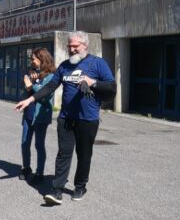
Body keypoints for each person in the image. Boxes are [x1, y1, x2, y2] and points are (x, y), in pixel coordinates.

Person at [15, 31, 116, 205]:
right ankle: (57, 189)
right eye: (69, 46)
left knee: (84, 154)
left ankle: (80, 186)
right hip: (66, 118)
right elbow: (50, 87)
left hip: (88, 119)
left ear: (85, 45)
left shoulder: (97, 64)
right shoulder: (64, 66)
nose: (71, 49)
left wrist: (93, 83)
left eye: (75, 46)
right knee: (64, 154)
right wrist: (30, 99)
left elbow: (112, 88)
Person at [19, 47, 55, 184]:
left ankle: (39, 173)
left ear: (41, 59)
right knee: (24, 143)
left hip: (41, 115)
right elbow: (27, 92)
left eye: (33, 59)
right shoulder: (32, 73)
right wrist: (28, 85)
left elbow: (44, 96)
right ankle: (26, 167)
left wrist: (31, 85)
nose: (32, 61)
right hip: (29, 113)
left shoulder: (50, 76)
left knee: (39, 145)